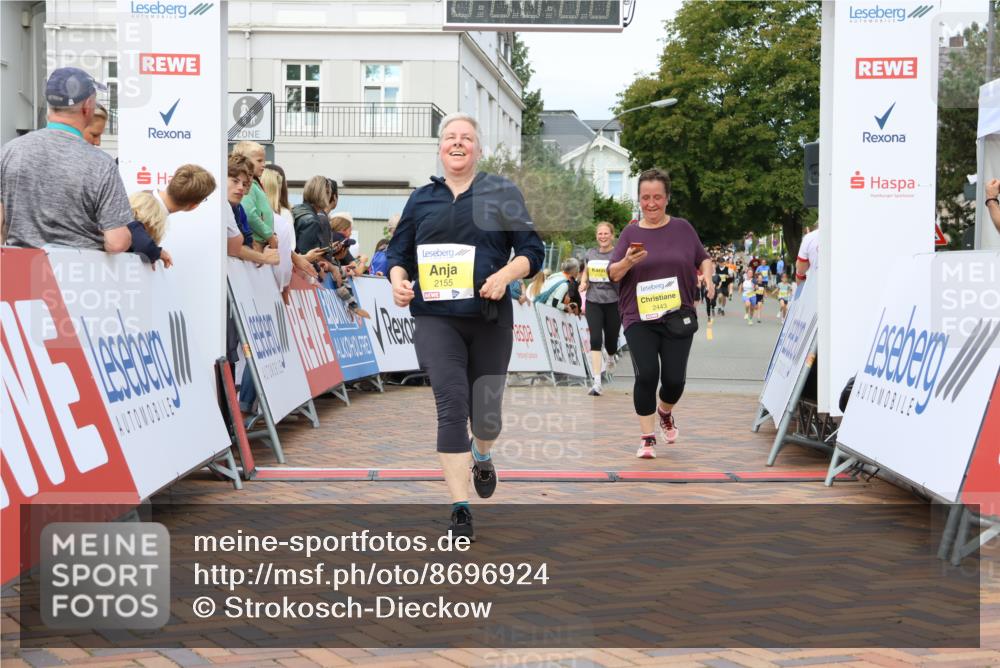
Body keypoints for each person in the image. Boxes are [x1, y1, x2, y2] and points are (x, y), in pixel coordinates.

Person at [387, 112, 544, 539]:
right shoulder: (422, 198)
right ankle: (460, 508)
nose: (458, 143)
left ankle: (482, 453)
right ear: (440, 148)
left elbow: (532, 250)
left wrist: (505, 275)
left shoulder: (501, 192)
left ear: (478, 149)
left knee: (487, 417)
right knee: (451, 405)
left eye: (467, 138)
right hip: (436, 318)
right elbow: (398, 255)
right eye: (450, 137)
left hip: (489, 318)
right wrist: (398, 282)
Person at [608, 168, 713, 458]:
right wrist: (628, 261)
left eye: (657, 197)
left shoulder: (682, 229)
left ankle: (665, 411)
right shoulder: (631, 233)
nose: (651, 203)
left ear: (667, 198)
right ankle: (647, 438)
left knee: (674, 381)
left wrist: (708, 277)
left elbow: (703, 258)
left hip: (677, 315)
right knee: (647, 374)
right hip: (638, 317)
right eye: (645, 197)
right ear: (639, 199)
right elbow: (613, 273)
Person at [1, 67, 131, 252]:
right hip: (81, 268)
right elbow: (117, 242)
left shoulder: (10, 152)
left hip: (22, 267)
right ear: (87, 106)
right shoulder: (101, 165)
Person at [580, 222, 621, 396]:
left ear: (612, 235)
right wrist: (583, 282)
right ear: (596, 236)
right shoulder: (590, 253)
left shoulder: (618, 254)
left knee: (611, 341)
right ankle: (597, 382)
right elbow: (586, 271)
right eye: (600, 234)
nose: (603, 237)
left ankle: (611, 356)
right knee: (595, 339)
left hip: (613, 301)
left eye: (606, 234)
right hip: (593, 301)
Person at [231, 141, 276, 249]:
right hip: (256, 242)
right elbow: (249, 214)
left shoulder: (255, 184)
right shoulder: (247, 186)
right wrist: (269, 235)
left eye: (264, 161)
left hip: (260, 241)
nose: (263, 165)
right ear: (245, 161)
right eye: (259, 161)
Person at [127, 191, 171, 269]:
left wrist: (151, 257)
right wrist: (159, 253)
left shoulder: (117, 224)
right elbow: (145, 247)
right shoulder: (134, 225)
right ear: (151, 222)